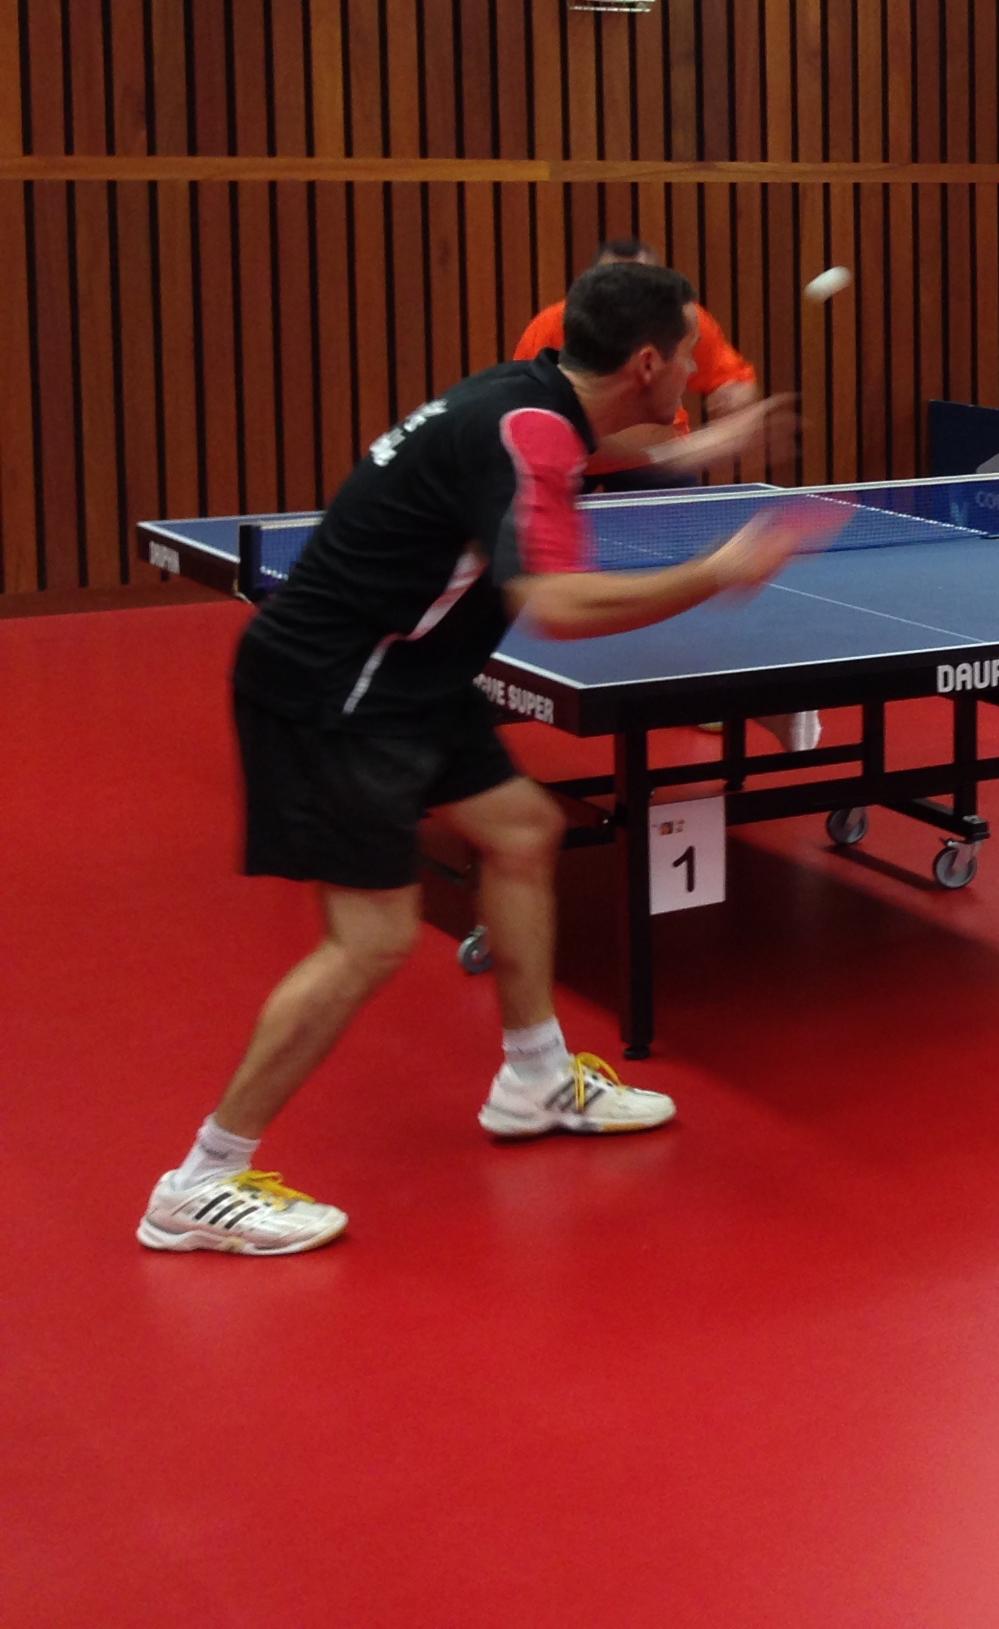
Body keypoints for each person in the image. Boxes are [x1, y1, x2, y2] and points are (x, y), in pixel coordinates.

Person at [139, 259, 813, 1257]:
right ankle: (199, 1182)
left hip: (407, 670)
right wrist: (717, 572)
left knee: (523, 830)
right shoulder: (527, 434)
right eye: (686, 359)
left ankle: (535, 1079)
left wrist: (700, 447)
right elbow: (557, 605)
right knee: (369, 940)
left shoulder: (529, 394)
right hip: (341, 687)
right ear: (647, 364)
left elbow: (589, 450)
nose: (691, 375)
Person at [515, 235, 761, 483]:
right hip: (576, 462)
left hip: (653, 464)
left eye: (641, 285)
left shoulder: (683, 320)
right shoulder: (549, 327)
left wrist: (734, 397)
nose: (628, 298)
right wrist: (681, 451)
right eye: (615, 285)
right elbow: (538, 421)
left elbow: (731, 379)